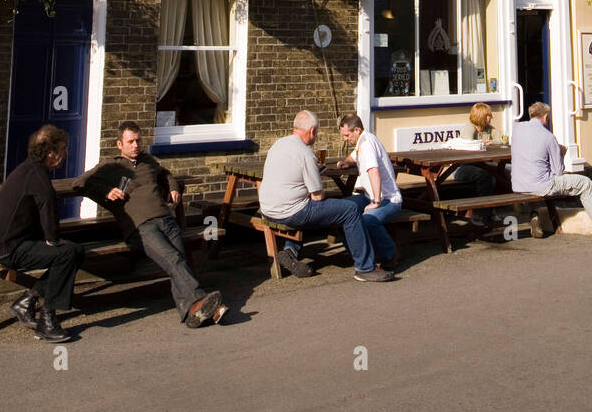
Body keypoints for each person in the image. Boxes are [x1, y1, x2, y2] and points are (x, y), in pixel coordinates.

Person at [71, 121, 226, 327]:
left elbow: (166, 174)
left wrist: (172, 187)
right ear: (120, 144)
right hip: (141, 227)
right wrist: (106, 191)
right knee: (173, 260)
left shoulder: (148, 161)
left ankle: (193, 314)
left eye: (138, 141)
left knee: (180, 261)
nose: (135, 146)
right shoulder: (111, 167)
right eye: (130, 142)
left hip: (166, 219)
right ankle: (202, 302)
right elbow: (79, 183)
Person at [259, 111, 394, 282]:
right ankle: (365, 268)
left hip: (268, 209)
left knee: (337, 206)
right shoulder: (306, 152)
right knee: (349, 210)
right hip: (292, 212)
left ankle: (290, 251)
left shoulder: (279, 144)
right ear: (312, 130)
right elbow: (317, 197)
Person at [0, 124, 85, 343]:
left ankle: (27, 301)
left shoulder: (30, 170)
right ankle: (47, 319)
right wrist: (53, 240)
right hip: (11, 249)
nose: (65, 154)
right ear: (50, 153)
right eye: (62, 149)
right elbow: (48, 210)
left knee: (75, 251)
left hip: (14, 243)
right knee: (68, 253)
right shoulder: (37, 175)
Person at [510, 102, 592, 240]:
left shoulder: (516, 129)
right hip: (539, 185)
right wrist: (562, 153)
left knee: (536, 176)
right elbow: (558, 172)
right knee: (585, 183)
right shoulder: (548, 137)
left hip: (518, 184)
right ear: (546, 117)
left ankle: (535, 214)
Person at [337, 114, 403, 271]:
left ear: (357, 130)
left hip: (389, 200)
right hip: (369, 196)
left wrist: (376, 202)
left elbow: (374, 171)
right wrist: (345, 162)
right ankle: (358, 254)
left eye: (347, 135)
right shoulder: (363, 141)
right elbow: (354, 156)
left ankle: (390, 254)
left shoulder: (367, 144)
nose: (345, 139)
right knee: (339, 210)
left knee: (368, 220)